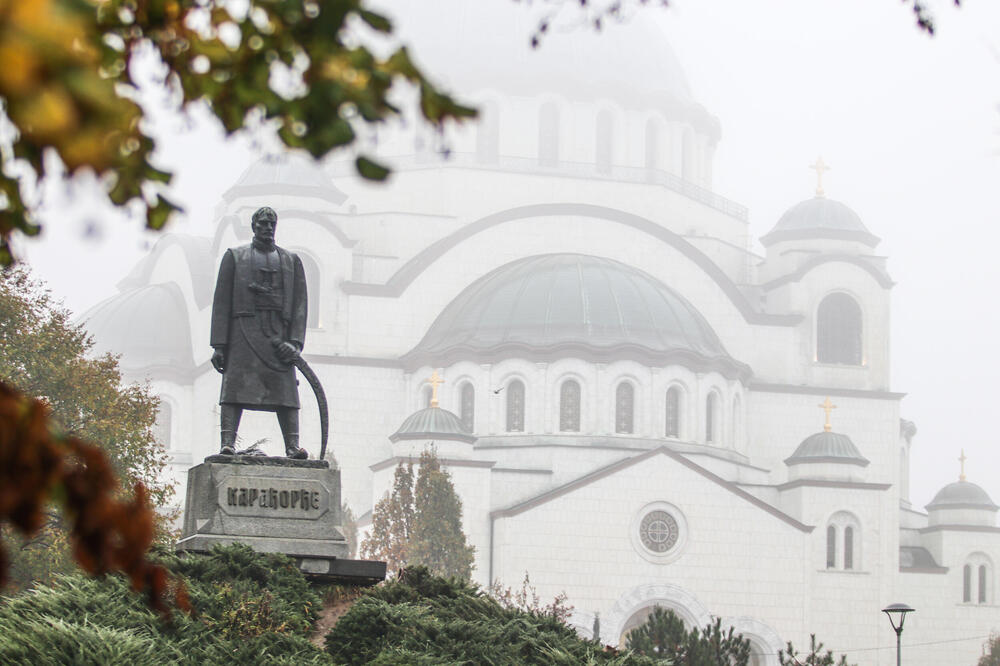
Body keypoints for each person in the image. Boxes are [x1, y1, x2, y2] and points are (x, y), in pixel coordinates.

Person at [210, 206, 308, 459]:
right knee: (234, 389)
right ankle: (227, 443)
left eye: (271, 223)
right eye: (262, 223)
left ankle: (292, 447)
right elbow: (221, 303)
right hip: (243, 332)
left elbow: (300, 305)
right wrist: (219, 346)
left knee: (286, 392)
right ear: (253, 226)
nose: (267, 228)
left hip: (279, 335)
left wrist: (295, 343)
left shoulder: (290, 260)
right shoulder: (235, 256)